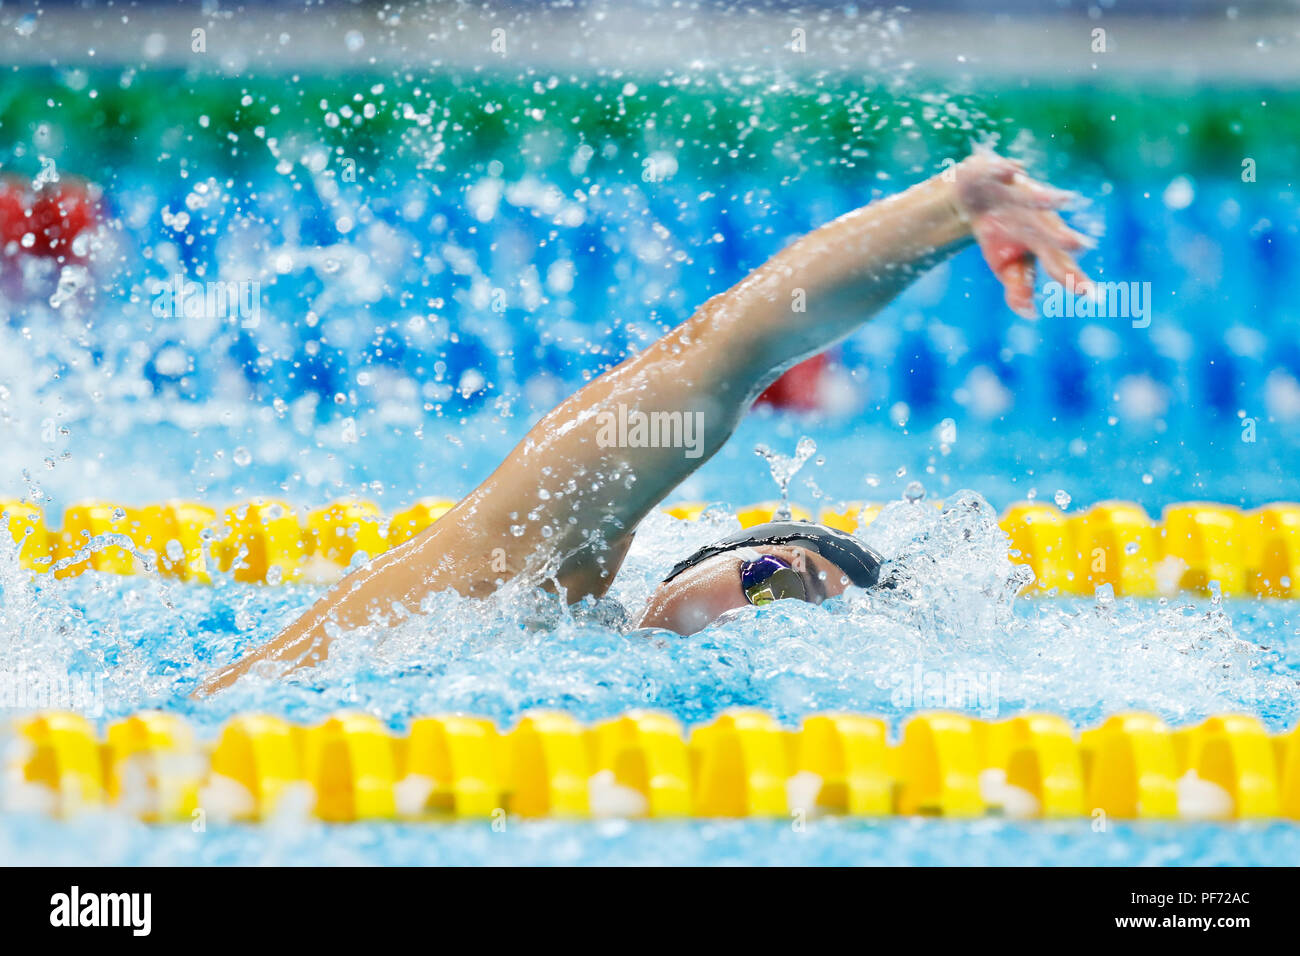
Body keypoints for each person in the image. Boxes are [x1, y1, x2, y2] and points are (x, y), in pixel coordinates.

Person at [197, 149, 1093, 695]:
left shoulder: (575, 661)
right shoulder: (537, 572)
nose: (761, 605)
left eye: (794, 602)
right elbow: (725, 351)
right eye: (778, 580)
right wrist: (943, 211)